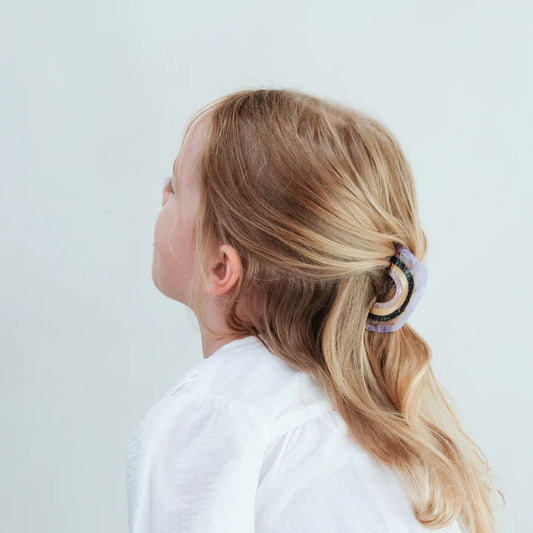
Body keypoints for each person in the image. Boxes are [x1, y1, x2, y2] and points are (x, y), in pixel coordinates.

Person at [126, 89, 504, 532]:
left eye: (174, 186)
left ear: (221, 267)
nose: (163, 197)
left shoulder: (217, 415)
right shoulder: (387, 430)